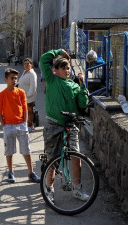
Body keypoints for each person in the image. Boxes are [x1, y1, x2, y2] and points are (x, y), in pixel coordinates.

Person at [40, 49, 89, 202]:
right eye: (63, 68)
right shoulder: (52, 79)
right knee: (52, 160)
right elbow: (43, 59)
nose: (67, 71)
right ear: (56, 70)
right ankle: (49, 189)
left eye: (68, 68)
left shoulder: (73, 85)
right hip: (53, 125)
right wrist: (59, 52)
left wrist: (82, 86)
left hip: (71, 125)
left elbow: (83, 104)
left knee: (76, 157)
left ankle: (77, 188)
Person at [0, 68, 41, 183]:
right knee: (9, 151)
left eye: (16, 78)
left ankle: (31, 173)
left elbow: (25, 109)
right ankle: (11, 172)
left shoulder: (21, 92)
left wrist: (25, 123)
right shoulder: (2, 95)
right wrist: (4, 126)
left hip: (21, 125)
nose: (14, 80)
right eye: (12, 78)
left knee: (26, 150)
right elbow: (0, 113)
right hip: (9, 126)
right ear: (5, 79)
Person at [17, 58, 37, 132]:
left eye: (28, 63)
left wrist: (27, 95)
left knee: (29, 112)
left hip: (29, 96)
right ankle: (26, 124)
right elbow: (20, 81)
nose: (26, 65)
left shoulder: (32, 74)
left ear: (31, 65)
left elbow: (33, 87)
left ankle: (30, 126)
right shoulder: (24, 72)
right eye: (25, 64)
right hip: (22, 96)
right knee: (24, 111)